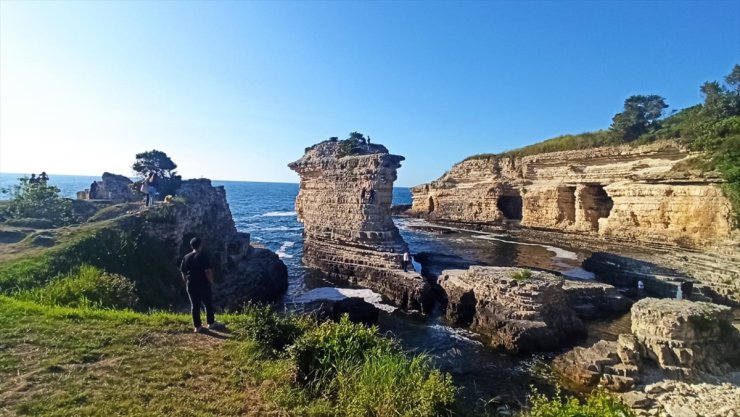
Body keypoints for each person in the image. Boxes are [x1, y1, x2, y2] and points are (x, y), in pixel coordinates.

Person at [180, 237, 220, 332]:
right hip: (203, 284)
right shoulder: (204, 256)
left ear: (192, 246)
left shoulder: (186, 257)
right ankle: (211, 323)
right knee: (208, 304)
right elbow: (208, 272)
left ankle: (197, 326)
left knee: (195, 305)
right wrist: (212, 282)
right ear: (200, 245)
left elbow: (183, 272)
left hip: (191, 285)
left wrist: (186, 282)